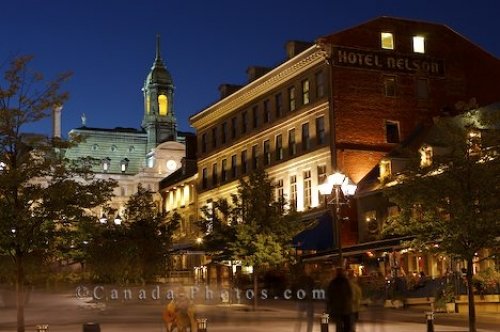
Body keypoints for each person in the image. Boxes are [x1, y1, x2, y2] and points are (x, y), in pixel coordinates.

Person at [326, 267, 353, 332]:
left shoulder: (333, 282)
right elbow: (350, 293)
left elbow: (329, 295)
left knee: (338, 325)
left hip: (336, 308)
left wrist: (329, 307)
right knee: (347, 325)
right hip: (345, 308)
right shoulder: (346, 282)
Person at [294, 263, 315, 332]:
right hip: (303, 301)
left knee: (308, 320)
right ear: (305, 270)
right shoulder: (302, 279)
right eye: (308, 268)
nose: (309, 270)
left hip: (307, 301)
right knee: (300, 319)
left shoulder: (310, 279)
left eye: (309, 268)